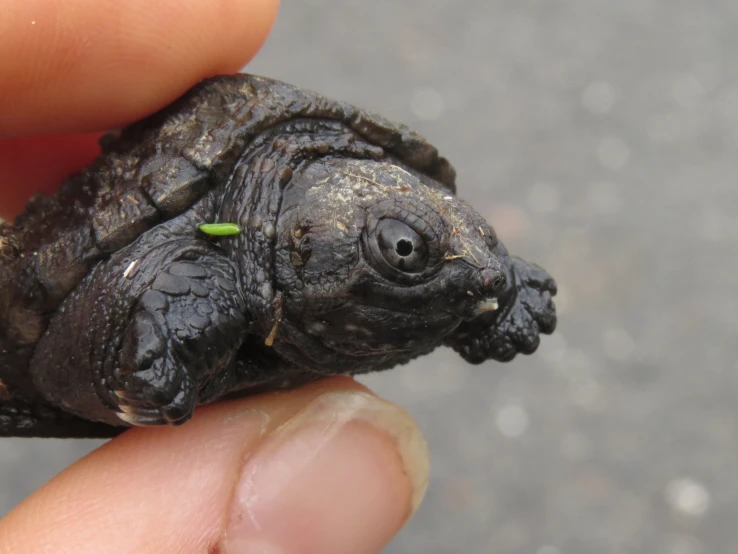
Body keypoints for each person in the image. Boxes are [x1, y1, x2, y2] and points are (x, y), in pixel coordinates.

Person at [0, 2, 430, 552]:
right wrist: (150, 371)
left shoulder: (362, 173)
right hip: (75, 319)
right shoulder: (214, 254)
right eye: (400, 247)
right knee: (177, 327)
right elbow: (170, 320)